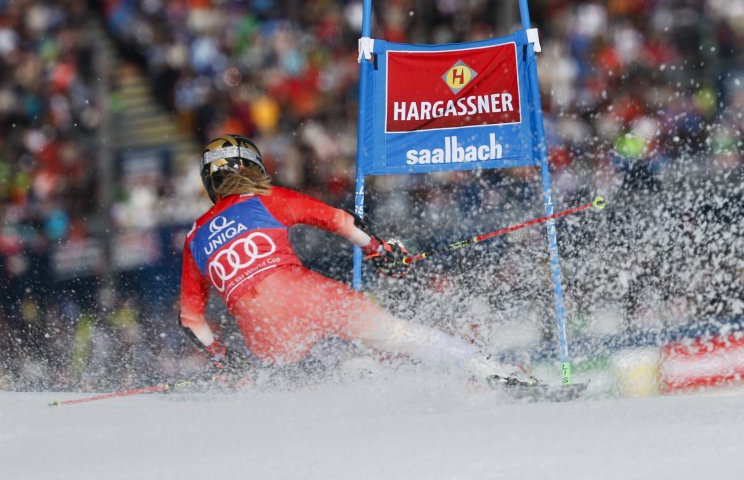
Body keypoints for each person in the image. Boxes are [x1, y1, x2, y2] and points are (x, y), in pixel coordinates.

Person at [179, 134, 535, 388]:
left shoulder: (194, 236)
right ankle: (494, 373)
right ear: (255, 168)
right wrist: (379, 250)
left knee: (329, 359)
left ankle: (364, 384)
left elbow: (191, 319)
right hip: (308, 297)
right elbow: (339, 220)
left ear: (210, 182)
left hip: (265, 336)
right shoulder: (265, 198)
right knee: (398, 335)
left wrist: (224, 357)